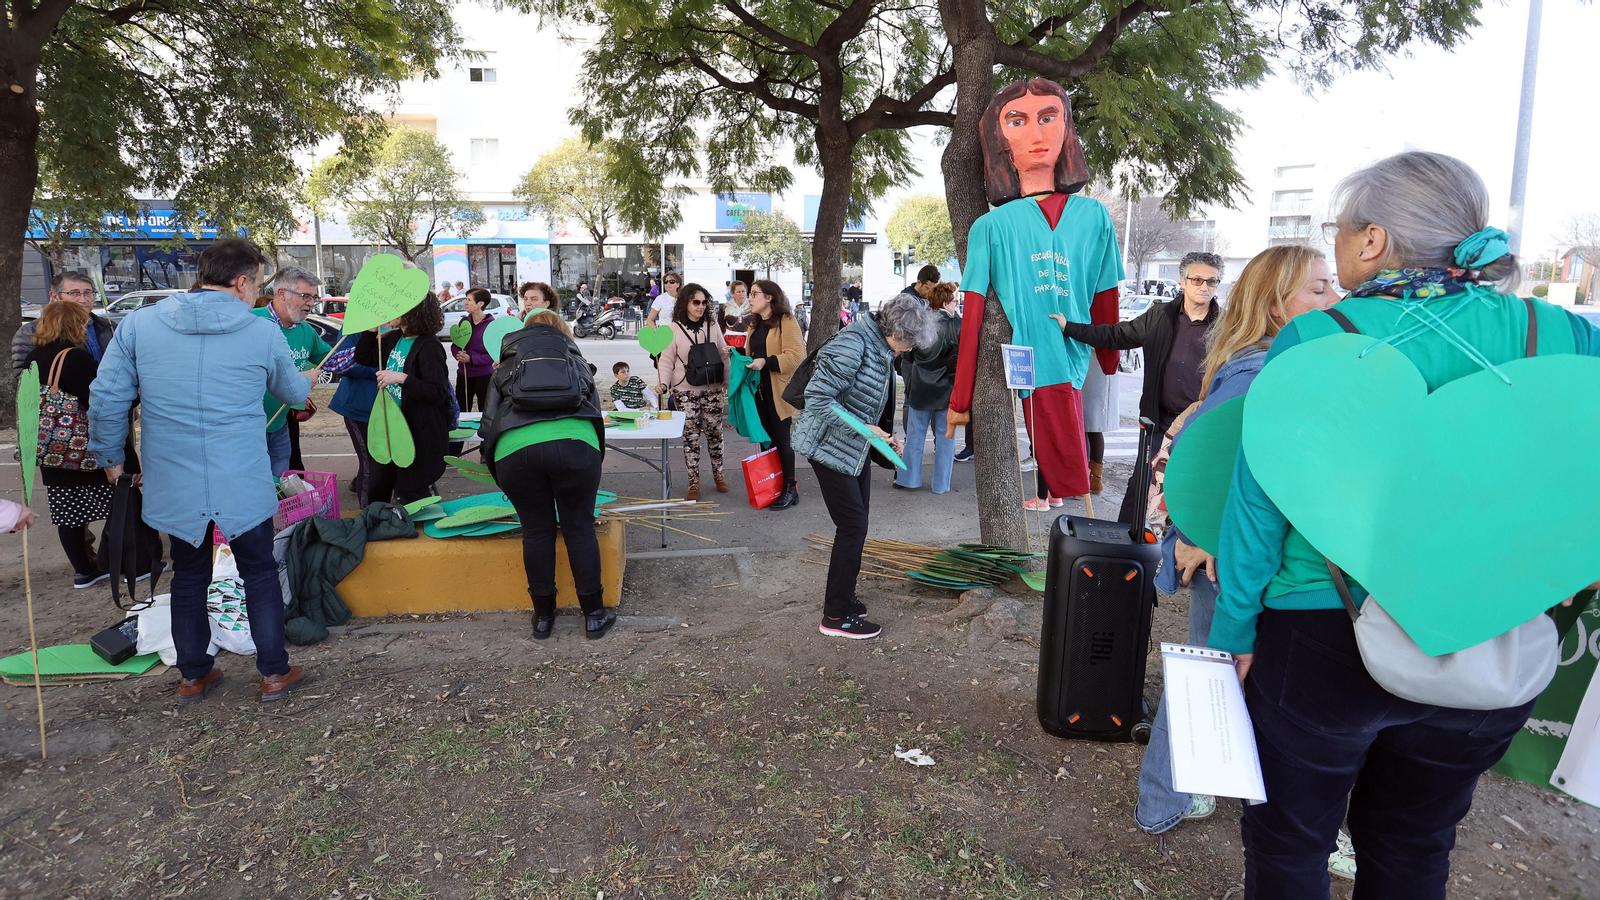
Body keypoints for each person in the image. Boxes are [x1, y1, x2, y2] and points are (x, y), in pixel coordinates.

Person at [1215, 151, 1600, 898]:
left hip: (1321, 633)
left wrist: (1233, 634)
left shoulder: (1319, 339)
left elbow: (1258, 504)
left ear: (1372, 240)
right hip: (1491, 635)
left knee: (1291, 843)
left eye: (1339, 228)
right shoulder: (1563, 334)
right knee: (1416, 844)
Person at [1058, 246, 1338, 843]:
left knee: (1219, 675)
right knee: (1207, 674)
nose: (1332, 298)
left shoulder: (1271, 361)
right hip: (1232, 563)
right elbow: (1196, 455)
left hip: (1253, 560)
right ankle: (1162, 800)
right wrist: (1194, 535)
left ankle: (1192, 788)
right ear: (1274, 304)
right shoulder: (1256, 369)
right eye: (1318, 288)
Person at [89, 238, 318, 703]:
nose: (257, 294)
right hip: (242, 478)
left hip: (173, 481)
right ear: (240, 282)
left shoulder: (139, 325)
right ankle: (274, 672)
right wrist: (310, 378)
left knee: (188, 575)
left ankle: (193, 674)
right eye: (256, 283)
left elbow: (107, 397)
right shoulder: (262, 333)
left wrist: (111, 460)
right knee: (258, 572)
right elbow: (294, 394)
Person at [946, 78, 1123, 508]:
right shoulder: (990, 226)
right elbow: (971, 313)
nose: (1037, 135)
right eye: (1017, 121)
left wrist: (1109, 353)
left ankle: (1061, 507)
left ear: (1066, 129)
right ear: (999, 138)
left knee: (1065, 442)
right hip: (1032, 358)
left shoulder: (1095, 216)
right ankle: (1059, 502)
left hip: (1074, 353)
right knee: (1055, 441)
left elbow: (1107, 295)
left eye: (1049, 117)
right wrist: (961, 398)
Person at [792, 293, 938, 639]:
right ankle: (836, 616)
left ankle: (846, 596)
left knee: (858, 524)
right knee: (853, 526)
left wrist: (882, 436)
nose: (909, 351)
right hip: (828, 446)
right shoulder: (853, 344)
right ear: (897, 332)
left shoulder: (879, 346)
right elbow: (817, 400)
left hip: (852, 447)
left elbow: (864, 402)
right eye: (910, 344)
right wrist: (862, 429)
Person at [1056, 250, 1223, 523]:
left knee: (1192, 491)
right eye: (1197, 280)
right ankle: (1123, 546)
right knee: (1141, 483)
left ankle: (1177, 552)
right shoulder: (1159, 316)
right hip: (1159, 422)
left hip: (1200, 424)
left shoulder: (1225, 326)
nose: (1205, 287)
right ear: (1182, 281)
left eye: (1212, 281)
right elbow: (1115, 334)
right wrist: (1069, 328)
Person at [479, 308, 615, 640]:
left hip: (515, 451)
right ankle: (594, 616)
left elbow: (487, 424)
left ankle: (543, 618)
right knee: (579, 527)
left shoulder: (506, 364)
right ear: (563, 334)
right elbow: (595, 412)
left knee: (536, 532)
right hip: (575, 446)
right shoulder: (576, 360)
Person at [24, 301, 148, 587]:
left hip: (54, 451)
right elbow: (104, 402)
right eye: (83, 324)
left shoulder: (33, 358)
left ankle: (84, 569)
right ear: (74, 326)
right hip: (87, 450)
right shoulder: (74, 359)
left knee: (69, 514)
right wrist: (137, 394)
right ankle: (133, 565)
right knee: (123, 504)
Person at [256, 266, 356, 477]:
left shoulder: (306, 330)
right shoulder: (251, 321)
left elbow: (333, 362)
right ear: (282, 293)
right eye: (305, 296)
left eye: (313, 298)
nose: (311, 303)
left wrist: (368, 342)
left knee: (282, 486)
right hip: (249, 428)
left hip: (280, 425)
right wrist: (295, 379)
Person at [368, 293, 452, 505]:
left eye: (397, 306)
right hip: (390, 427)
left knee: (411, 493)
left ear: (413, 312)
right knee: (378, 486)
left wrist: (403, 379)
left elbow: (438, 393)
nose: (390, 311)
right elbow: (363, 357)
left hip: (417, 431)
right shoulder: (394, 338)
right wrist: (370, 332)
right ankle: (380, 524)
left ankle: (419, 534)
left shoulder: (429, 346)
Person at [654, 283, 730, 501]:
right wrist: (665, 384)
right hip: (685, 391)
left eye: (704, 302)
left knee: (715, 434)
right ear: (685, 302)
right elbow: (666, 361)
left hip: (712, 388)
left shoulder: (712, 325)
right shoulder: (673, 329)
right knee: (691, 437)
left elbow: (723, 356)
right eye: (695, 302)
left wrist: (726, 383)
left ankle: (719, 474)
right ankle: (693, 482)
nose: (700, 306)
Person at [744, 279, 806, 510]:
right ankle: (773, 485)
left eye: (754, 294)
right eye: (750, 294)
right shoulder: (755, 323)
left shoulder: (785, 321)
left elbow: (796, 356)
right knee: (766, 441)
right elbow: (754, 352)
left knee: (781, 440)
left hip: (777, 391)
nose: (749, 298)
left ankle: (790, 487)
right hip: (757, 391)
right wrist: (738, 352)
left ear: (769, 297)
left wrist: (766, 362)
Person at [895, 282, 961, 494]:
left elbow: (907, 354)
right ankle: (941, 484)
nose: (955, 306)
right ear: (945, 302)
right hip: (946, 388)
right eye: (954, 302)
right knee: (945, 438)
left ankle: (909, 479)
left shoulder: (921, 323)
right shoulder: (957, 324)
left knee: (915, 435)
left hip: (920, 386)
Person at [12, 271, 114, 371]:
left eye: (88, 292)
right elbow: (23, 375)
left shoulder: (109, 326)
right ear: (55, 296)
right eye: (74, 293)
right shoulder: (32, 331)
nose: (83, 300)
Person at [328, 329, 381, 508]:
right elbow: (342, 365)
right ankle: (367, 516)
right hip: (359, 407)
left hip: (389, 408)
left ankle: (381, 511)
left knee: (383, 464)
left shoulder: (399, 323)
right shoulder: (354, 327)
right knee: (369, 465)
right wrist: (381, 367)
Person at [453, 288, 496, 413]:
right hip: (464, 374)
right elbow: (455, 344)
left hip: (484, 375)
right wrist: (458, 354)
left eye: (469, 300)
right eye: (466, 299)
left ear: (480, 304)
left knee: (486, 409)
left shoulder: (491, 326)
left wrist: (471, 359)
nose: (466, 303)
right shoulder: (464, 322)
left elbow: (493, 354)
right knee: (462, 408)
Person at [720, 279, 752, 349]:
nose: (741, 294)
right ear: (732, 293)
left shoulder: (753, 307)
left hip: (749, 343)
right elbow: (720, 328)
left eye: (743, 291)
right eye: (738, 292)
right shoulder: (725, 308)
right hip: (730, 343)